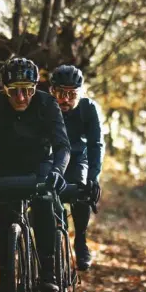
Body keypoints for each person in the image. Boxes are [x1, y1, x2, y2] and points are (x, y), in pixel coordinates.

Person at [0, 57, 70, 292]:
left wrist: (58, 171)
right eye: (14, 91)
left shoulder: (47, 104)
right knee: (5, 221)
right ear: (4, 89)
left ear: (36, 88)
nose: (21, 97)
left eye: (27, 90)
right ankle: (6, 276)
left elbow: (62, 146)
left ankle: (48, 273)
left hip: (40, 167)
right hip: (5, 167)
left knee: (44, 205)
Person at [49, 64, 104, 270]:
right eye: (60, 93)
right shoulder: (44, 105)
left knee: (82, 188)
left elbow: (95, 144)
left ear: (80, 94)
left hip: (78, 157)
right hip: (50, 158)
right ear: (52, 91)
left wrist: (94, 177)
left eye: (72, 95)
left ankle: (80, 240)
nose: (65, 100)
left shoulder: (88, 108)